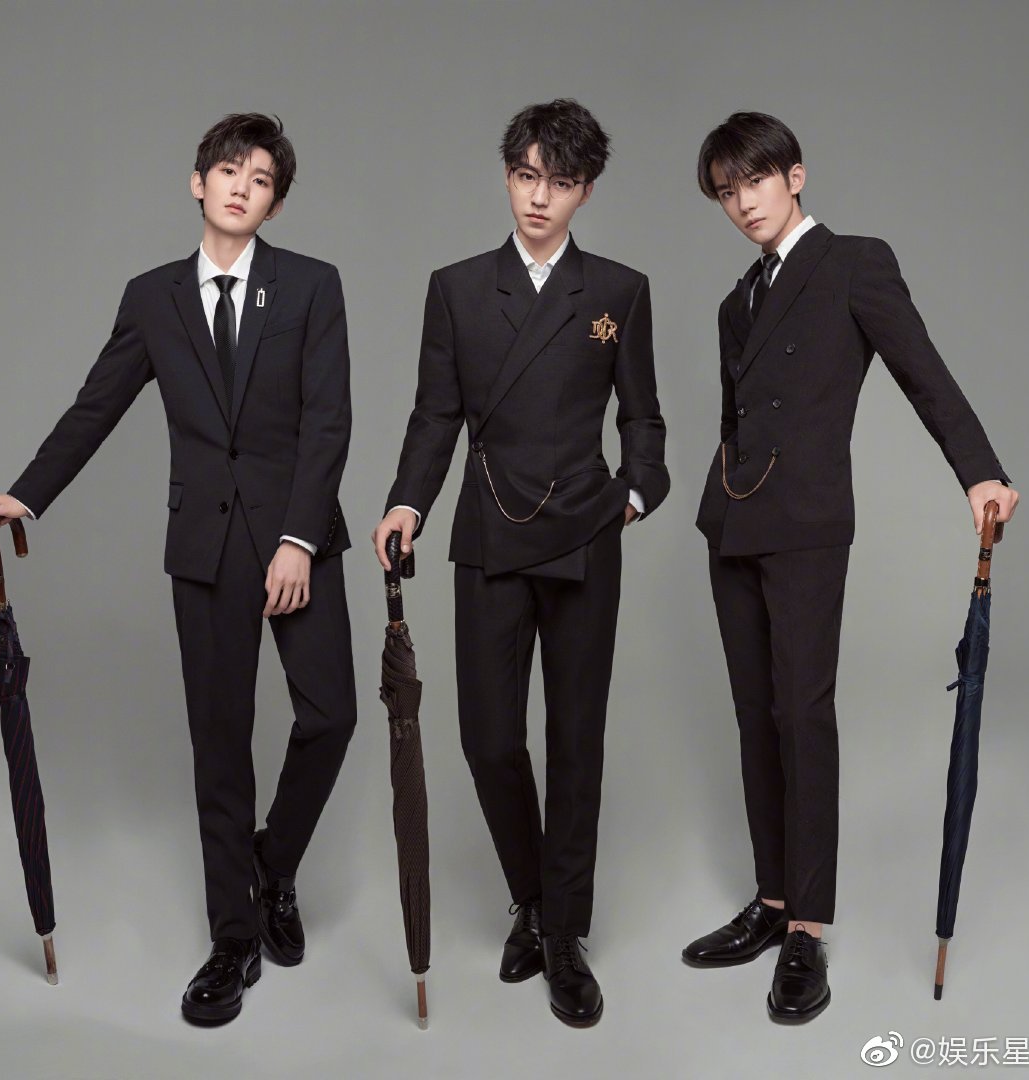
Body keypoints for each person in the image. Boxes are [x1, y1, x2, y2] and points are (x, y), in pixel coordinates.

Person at [0, 112, 357, 1024]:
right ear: (198, 182)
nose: (241, 188)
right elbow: (96, 405)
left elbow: (328, 421)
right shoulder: (153, 298)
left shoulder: (311, 286)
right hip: (205, 548)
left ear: (274, 203)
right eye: (228, 171)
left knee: (332, 714)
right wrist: (29, 494)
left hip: (296, 538)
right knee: (220, 743)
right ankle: (234, 938)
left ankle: (272, 864)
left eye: (260, 180)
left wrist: (298, 541)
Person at [684, 111, 1019, 1022]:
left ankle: (808, 929)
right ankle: (772, 899)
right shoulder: (736, 302)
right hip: (732, 522)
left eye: (755, 180)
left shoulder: (854, 263)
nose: (743, 203)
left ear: (795, 174)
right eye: (726, 192)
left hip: (806, 525)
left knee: (803, 714)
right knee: (755, 717)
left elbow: (923, 372)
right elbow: (737, 420)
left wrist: (979, 471)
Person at [372, 98, 669, 1028]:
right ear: (508, 177)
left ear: (587, 192)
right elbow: (434, 414)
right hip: (490, 532)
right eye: (527, 176)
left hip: (584, 535)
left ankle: (563, 934)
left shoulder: (619, 290)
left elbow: (643, 417)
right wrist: (407, 500)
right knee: (489, 738)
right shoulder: (458, 288)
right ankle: (533, 898)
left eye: (561, 183)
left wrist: (635, 493)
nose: (540, 198)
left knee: (576, 741)